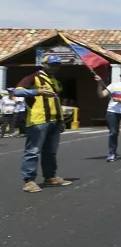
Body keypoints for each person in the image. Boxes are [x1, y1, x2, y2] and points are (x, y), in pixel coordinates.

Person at [12, 55, 71, 193]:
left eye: (57, 65)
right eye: (51, 65)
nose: (54, 67)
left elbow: (56, 101)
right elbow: (17, 91)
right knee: (33, 151)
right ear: (43, 65)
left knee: (50, 152)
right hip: (38, 120)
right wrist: (36, 91)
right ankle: (29, 181)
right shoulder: (33, 77)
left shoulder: (54, 81)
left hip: (54, 121)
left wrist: (61, 121)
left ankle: (50, 177)